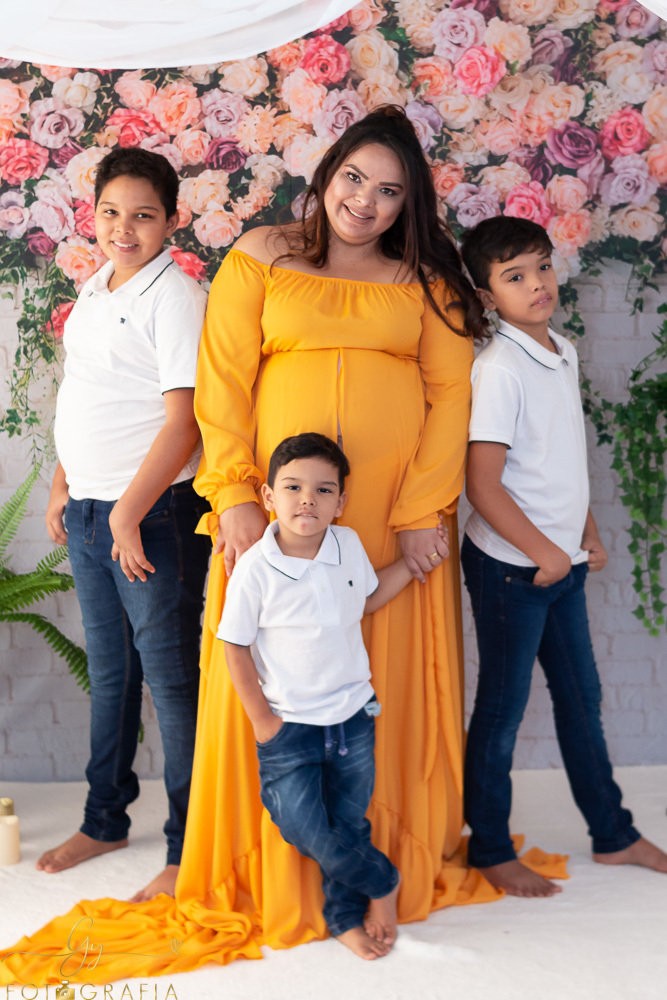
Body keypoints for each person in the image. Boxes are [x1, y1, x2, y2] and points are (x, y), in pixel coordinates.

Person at [459, 216, 667, 899]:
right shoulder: (496, 368)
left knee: (582, 700)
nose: (536, 284)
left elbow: (562, 459)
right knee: (502, 708)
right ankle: (488, 846)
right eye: (513, 277)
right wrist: (545, 554)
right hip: (511, 569)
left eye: (541, 267)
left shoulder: (561, 351)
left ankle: (611, 834)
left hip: (559, 561)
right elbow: (482, 485)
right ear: (488, 296)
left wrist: (586, 530)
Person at [38, 147, 210, 903]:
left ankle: (188, 847)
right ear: (94, 214)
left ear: (172, 221)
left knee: (172, 684)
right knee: (110, 677)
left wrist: (130, 516)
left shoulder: (175, 297)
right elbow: (84, 392)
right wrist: (60, 485)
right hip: (88, 513)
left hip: (152, 517)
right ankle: (104, 818)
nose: (124, 227)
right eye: (111, 212)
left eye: (143, 215)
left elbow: (186, 424)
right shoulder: (96, 285)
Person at [220, 432, 418, 960]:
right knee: (303, 827)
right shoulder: (256, 570)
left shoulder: (346, 545)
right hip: (289, 728)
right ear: (268, 497)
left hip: (353, 716)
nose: (307, 499)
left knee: (348, 825)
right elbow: (234, 649)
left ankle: (344, 918)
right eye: (293, 487)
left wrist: (413, 567)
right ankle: (384, 883)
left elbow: (367, 599)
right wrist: (263, 722)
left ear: (340, 502)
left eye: (323, 490)